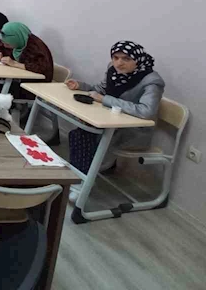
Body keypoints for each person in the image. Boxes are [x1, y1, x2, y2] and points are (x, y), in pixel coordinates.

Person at [65, 41, 164, 203]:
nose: (119, 63)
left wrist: (105, 99)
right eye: (115, 57)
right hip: (110, 122)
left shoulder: (152, 81)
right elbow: (100, 90)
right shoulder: (114, 71)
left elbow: (146, 111)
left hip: (133, 132)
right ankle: (81, 176)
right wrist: (80, 86)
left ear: (137, 60)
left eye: (126, 59)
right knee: (80, 133)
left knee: (82, 135)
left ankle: (81, 183)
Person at [0, 22, 53, 95]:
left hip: (34, 85)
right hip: (17, 78)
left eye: (7, 44)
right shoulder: (16, 40)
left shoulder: (35, 47)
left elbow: (41, 68)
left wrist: (14, 64)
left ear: (15, 39)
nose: (5, 45)